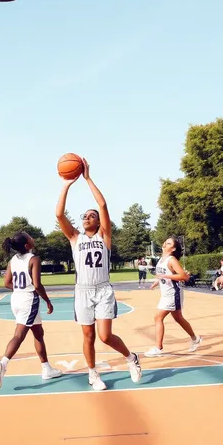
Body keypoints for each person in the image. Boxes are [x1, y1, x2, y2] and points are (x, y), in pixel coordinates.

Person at [56, 158, 142, 391]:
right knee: (88, 336)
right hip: (82, 291)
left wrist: (87, 179)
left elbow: (103, 206)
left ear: (98, 222)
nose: (88, 217)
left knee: (104, 336)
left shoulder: (105, 237)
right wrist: (66, 184)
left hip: (103, 289)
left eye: (91, 216)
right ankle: (93, 375)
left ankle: (130, 358)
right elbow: (59, 214)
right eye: (85, 215)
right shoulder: (75, 238)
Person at [0, 232, 62, 388]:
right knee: (19, 335)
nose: (33, 238)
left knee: (38, 333)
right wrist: (48, 301)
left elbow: (7, 283)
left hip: (16, 298)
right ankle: (3, 364)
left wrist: (20, 288)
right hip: (28, 299)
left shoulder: (13, 260)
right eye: (30, 238)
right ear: (27, 245)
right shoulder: (34, 259)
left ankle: (46, 368)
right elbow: (37, 285)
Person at [145, 237, 202, 356]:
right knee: (178, 318)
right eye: (166, 241)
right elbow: (165, 274)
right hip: (167, 293)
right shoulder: (161, 259)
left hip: (173, 293)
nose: (165, 243)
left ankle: (158, 348)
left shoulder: (172, 260)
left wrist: (165, 277)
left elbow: (184, 277)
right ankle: (195, 339)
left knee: (158, 318)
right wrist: (158, 281)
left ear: (173, 248)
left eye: (169, 243)